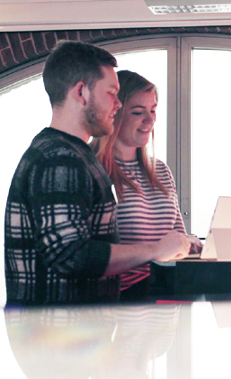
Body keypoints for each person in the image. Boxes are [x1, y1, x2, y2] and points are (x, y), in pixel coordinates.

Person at [4, 41, 191, 306]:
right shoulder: (61, 158)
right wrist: (155, 250)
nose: (117, 104)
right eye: (112, 93)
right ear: (81, 93)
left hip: (73, 334)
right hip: (58, 338)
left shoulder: (71, 155)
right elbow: (70, 256)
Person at [92, 70, 203, 300]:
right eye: (138, 112)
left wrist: (192, 244)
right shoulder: (94, 168)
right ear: (114, 112)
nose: (150, 120)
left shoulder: (161, 170)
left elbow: (178, 237)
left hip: (164, 307)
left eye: (152, 110)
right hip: (120, 308)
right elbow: (89, 256)